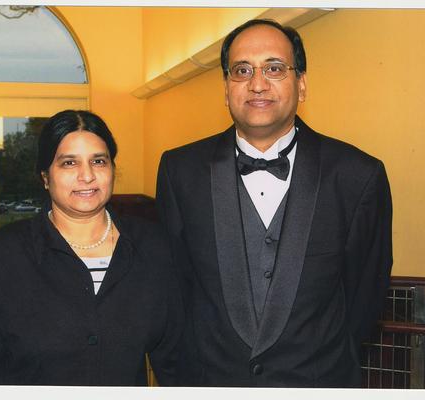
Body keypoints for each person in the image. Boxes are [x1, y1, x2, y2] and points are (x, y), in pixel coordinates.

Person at [155, 19, 393, 387]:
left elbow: (364, 299)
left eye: (275, 68)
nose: (257, 83)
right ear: (226, 87)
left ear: (302, 83)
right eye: (242, 70)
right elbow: (174, 290)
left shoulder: (358, 176)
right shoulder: (180, 171)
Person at [0, 110, 183, 385]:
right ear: (45, 177)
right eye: (69, 163)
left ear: (112, 169)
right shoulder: (0, 255)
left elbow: (176, 360)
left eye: (98, 161)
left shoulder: (153, 246)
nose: (86, 176)